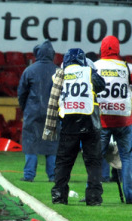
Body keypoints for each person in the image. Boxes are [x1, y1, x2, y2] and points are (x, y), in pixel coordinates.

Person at [43, 48, 106, 206]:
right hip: (90, 122)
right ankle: (94, 198)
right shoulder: (89, 72)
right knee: (93, 163)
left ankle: (59, 195)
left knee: (64, 162)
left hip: (69, 123)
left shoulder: (60, 74)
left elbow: (51, 96)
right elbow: (101, 86)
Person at [94, 35, 132, 202]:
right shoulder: (127, 67)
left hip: (101, 119)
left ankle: (93, 193)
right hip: (124, 119)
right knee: (127, 157)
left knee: (95, 156)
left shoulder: (94, 67)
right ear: (118, 48)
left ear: (102, 48)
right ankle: (130, 195)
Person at [17, 40, 59, 182]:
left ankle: (29, 175)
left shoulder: (29, 70)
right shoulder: (59, 71)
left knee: (31, 143)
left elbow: (22, 93)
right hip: (52, 114)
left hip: (33, 113)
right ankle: (53, 176)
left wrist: (26, 108)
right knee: (51, 144)